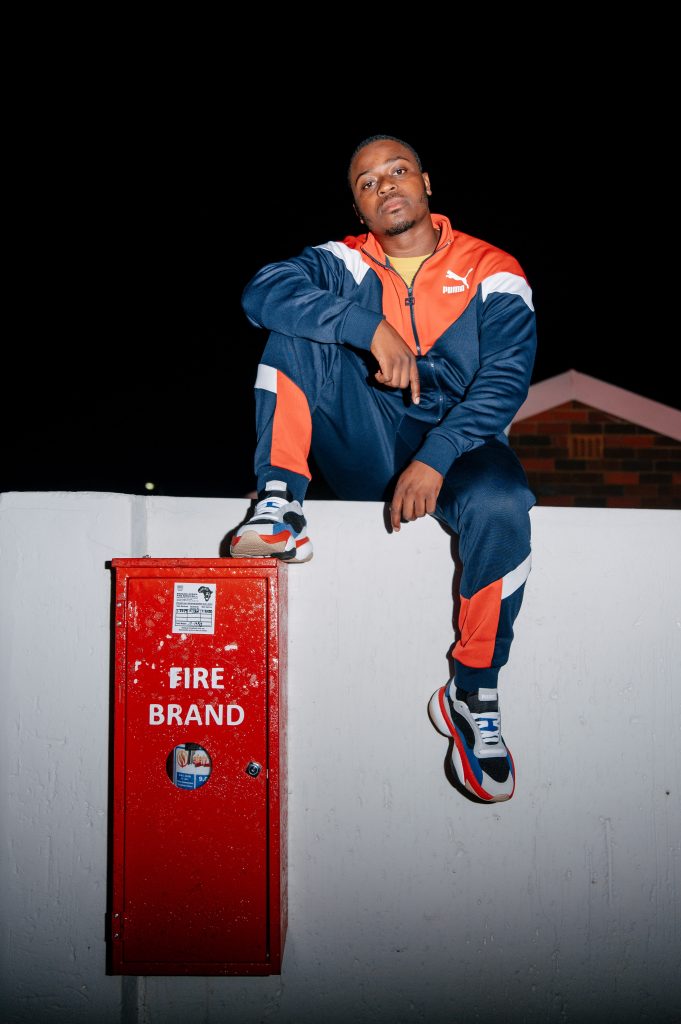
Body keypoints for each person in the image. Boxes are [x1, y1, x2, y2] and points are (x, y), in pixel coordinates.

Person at [231, 135, 537, 803]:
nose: (385, 186)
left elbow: (505, 380)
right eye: (367, 182)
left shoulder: (492, 269)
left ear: (426, 183)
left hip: (460, 445)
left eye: (397, 172)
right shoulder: (341, 262)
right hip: (367, 438)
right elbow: (262, 292)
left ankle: (472, 691)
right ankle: (279, 504)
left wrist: (435, 457)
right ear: (358, 208)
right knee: (294, 326)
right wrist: (364, 325)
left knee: (503, 505)